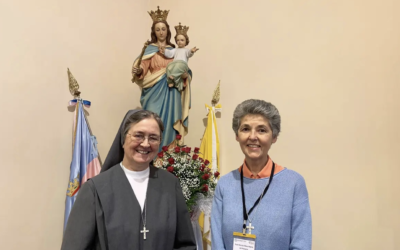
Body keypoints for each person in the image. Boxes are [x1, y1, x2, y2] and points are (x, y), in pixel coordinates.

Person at [61, 110, 196, 250]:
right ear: (123, 139)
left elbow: (185, 244)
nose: (145, 144)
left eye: (153, 138)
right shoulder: (95, 189)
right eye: (138, 136)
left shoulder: (170, 184)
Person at [211, 99, 312, 250]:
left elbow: (301, 244)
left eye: (262, 130)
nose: (253, 136)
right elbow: (217, 244)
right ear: (237, 136)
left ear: (274, 137)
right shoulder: (225, 184)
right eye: (245, 129)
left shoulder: (294, 183)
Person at [132, 7, 192, 151]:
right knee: (152, 120)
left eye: (163, 29)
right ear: (154, 32)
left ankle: (167, 156)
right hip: (153, 91)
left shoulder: (174, 50)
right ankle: (150, 152)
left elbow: (184, 69)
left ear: (168, 31)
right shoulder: (150, 49)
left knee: (170, 122)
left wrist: (185, 77)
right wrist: (139, 70)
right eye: (158, 29)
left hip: (172, 93)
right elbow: (143, 68)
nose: (161, 32)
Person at [160, 22, 199, 91]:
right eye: (177, 40)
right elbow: (170, 53)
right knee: (169, 67)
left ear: (186, 41)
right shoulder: (175, 50)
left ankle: (174, 78)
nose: (179, 42)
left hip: (182, 64)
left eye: (182, 40)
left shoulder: (186, 50)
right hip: (175, 63)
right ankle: (171, 80)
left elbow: (189, 53)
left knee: (177, 69)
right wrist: (164, 51)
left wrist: (192, 51)